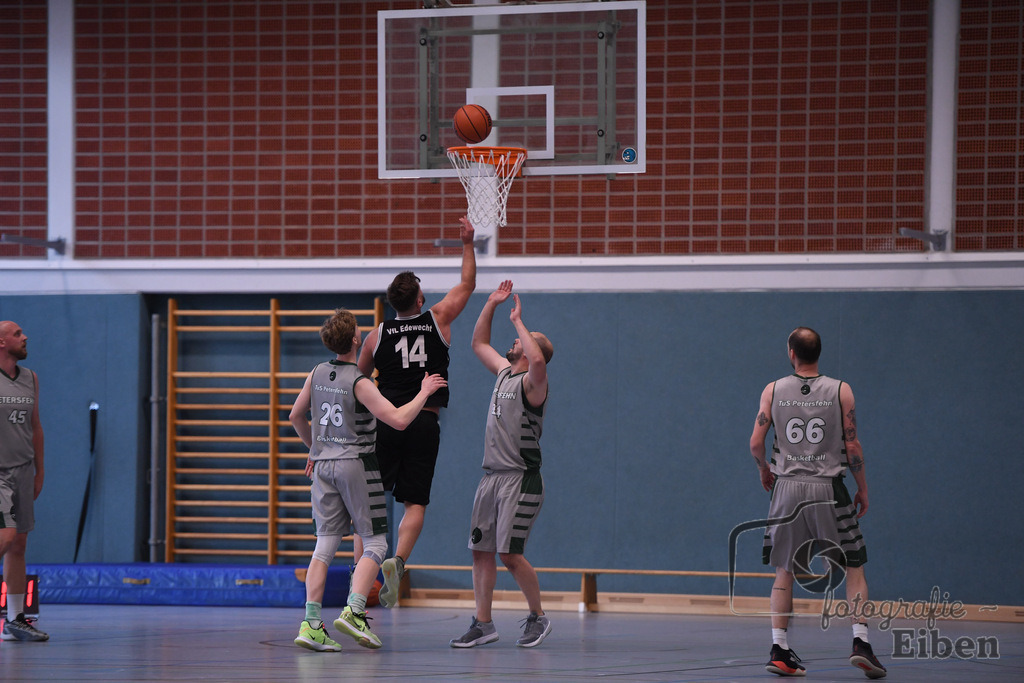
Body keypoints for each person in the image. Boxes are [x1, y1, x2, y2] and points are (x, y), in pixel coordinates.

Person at [290, 309, 447, 652]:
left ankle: (311, 623)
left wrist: (315, 448)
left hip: (323, 467)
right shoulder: (359, 382)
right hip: (355, 465)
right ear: (356, 340)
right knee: (375, 543)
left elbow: (295, 415)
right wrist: (423, 393)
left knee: (325, 545)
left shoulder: (316, 373)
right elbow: (399, 419)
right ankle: (355, 610)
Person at [749, 327, 886, 679]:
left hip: (787, 488)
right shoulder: (841, 390)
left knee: (785, 570)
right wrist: (863, 489)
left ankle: (779, 649)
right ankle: (861, 642)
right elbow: (852, 448)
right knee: (853, 565)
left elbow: (755, 442)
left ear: (791, 353)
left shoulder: (772, 390)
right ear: (818, 353)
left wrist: (765, 470)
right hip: (828, 487)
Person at [355, 216, 476, 607]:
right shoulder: (437, 319)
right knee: (415, 504)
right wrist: (468, 243)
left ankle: (363, 578)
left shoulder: (376, 334)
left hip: (385, 420)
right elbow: (468, 285)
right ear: (420, 301)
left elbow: (355, 384)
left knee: (370, 502)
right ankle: (399, 562)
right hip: (424, 421)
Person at [450, 280, 555, 649]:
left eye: (522, 342)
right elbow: (477, 343)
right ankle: (483, 624)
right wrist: (491, 305)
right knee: (481, 550)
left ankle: (538, 617)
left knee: (510, 553)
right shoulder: (502, 373)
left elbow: (539, 358)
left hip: (520, 479)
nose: (513, 345)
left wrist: (517, 321)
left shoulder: (533, 383)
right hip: (491, 478)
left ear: (528, 350)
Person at [0, 320, 49, 642]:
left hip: (23, 469)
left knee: (19, 544)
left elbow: (35, 426)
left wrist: (40, 470)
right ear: (2, 343)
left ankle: (15, 619)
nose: (25, 336)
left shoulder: (30, 378)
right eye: (17, 333)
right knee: (6, 536)